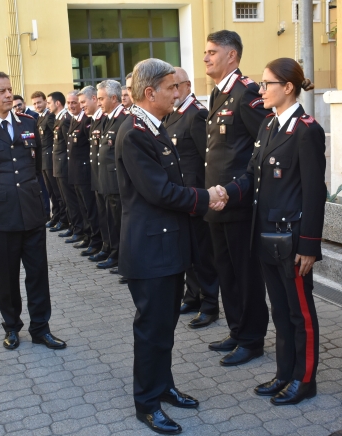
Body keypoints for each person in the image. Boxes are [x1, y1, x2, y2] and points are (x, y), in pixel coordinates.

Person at [116, 58, 227, 435]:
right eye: (171, 88)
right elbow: (159, 191)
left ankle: (163, 387)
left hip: (166, 247)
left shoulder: (153, 127)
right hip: (150, 251)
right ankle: (146, 403)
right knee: (151, 329)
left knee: (163, 328)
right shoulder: (133, 133)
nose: (178, 92)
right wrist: (206, 196)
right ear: (151, 93)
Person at [223, 58, 326, 405]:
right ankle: (284, 373)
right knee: (280, 311)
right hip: (265, 236)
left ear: (288, 88)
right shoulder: (268, 125)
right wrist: (226, 193)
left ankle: (304, 379)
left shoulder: (307, 130)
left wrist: (310, 245)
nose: (261, 90)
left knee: (300, 314)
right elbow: (253, 176)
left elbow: (314, 192)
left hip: (292, 239)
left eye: (267, 84)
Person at [0, 71, 66, 350]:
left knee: (38, 274)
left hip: (31, 212)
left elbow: (35, 165)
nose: (8, 95)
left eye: (10, 90)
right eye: (2, 91)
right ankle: (12, 327)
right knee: (7, 276)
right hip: (0, 216)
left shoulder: (29, 123)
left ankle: (41, 328)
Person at [203, 30, 270, 366]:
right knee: (226, 271)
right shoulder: (219, 94)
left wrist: (238, 190)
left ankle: (253, 339)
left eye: (212, 52)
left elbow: (265, 147)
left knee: (245, 273)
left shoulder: (247, 93)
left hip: (239, 202)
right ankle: (237, 329)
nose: (206, 58)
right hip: (217, 202)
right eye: (205, 52)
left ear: (232, 56)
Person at [163, 67, 220, 329]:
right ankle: (192, 296)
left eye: (175, 86)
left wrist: (206, 197)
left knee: (202, 254)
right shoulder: (173, 114)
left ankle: (209, 304)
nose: (173, 92)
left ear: (186, 85)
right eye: (169, 87)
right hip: (182, 197)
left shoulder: (196, 114)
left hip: (196, 195)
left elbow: (206, 160)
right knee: (189, 251)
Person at [96, 80, 128, 270]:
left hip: (117, 182)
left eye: (101, 98)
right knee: (112, 222)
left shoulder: (124, 119)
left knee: (120, 224)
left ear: (113, 98)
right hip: (107, 181)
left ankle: (123, 260)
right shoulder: (108, 118)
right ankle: (115, 254)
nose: (99, 102)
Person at [66, 90, 101, 256]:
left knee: (90, 209)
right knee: (83, 208)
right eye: (71, 103)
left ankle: (95, 241)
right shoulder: (75, 121)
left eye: (77, 102)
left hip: (85, 172)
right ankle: (88, 237)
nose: (74, 106)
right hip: (75, 172)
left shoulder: (87, 121)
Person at [78, 86, 111, 262]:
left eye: (84, 102)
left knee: (109, 218)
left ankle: (111, 249)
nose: (81, 105)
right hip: (97, 176)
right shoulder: (93, 120)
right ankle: (105, 246)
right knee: (102, 215)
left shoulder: (104, 120)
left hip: (105, 177)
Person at [47, 92, 84, 241]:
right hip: (59, 165)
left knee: (71, 200)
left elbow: (69, 147)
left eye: (49, 102)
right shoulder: (60, 118)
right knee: (65, 199)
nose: (71, 106)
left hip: (64, 165)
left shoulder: (66, 120)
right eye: (69, 103)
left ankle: (77, 228)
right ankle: (73, 226)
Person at [31, 91, 67, 229]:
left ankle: (63, 219)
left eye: (39, 102)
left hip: (52, 158)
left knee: (57, 192)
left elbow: (57, 138)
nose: (37, 105)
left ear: (45, 101)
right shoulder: (39, 118)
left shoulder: (51, 117)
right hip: (44, 160)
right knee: (51, 191)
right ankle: (56, 216)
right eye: (34, 103)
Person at [13, 94, 50, 219]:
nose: (17, 108)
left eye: (19, 104)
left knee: (43, 189)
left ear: (23, 103)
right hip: (28, 160)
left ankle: (45, 213)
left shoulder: (32, 118)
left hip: (38, 159)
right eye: (15, 106)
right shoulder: (16, 119)